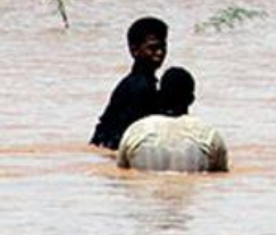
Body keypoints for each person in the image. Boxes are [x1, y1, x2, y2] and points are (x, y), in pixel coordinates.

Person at [116, 68, 229, 173]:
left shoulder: (136, 131)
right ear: (191, 100)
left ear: (160, 96)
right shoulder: (209, 135)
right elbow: (220, 175)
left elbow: (121, 172)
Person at [90, 17, 168, 150]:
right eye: (153, 48)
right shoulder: (141, 87)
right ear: (134, 50)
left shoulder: (134, 82)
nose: (160, 53)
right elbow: (130, 132)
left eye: (163, 47)